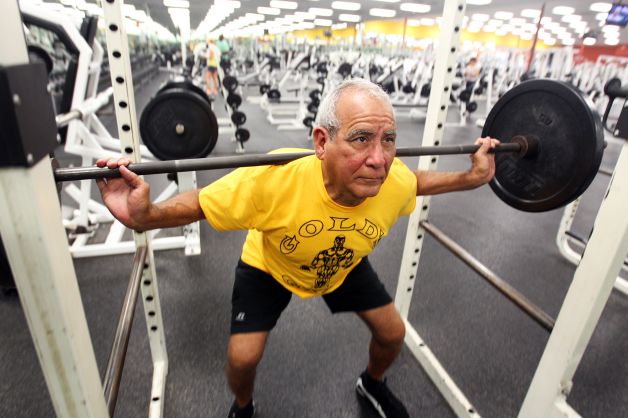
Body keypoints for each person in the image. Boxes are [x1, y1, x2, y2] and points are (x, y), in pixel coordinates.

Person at [95, 78, 499, 418]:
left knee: (393, 334)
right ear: (322, 141)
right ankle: (243, 406)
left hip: (340, 263)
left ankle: (372, 384)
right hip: (270, 264)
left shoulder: (391, 180)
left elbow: (420, 182)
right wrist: (144, 216)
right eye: (361, 139)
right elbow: (199, 204)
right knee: (242, 358)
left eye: (388, 140)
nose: (379, 158)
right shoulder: (276, 176)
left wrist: (472, 177)